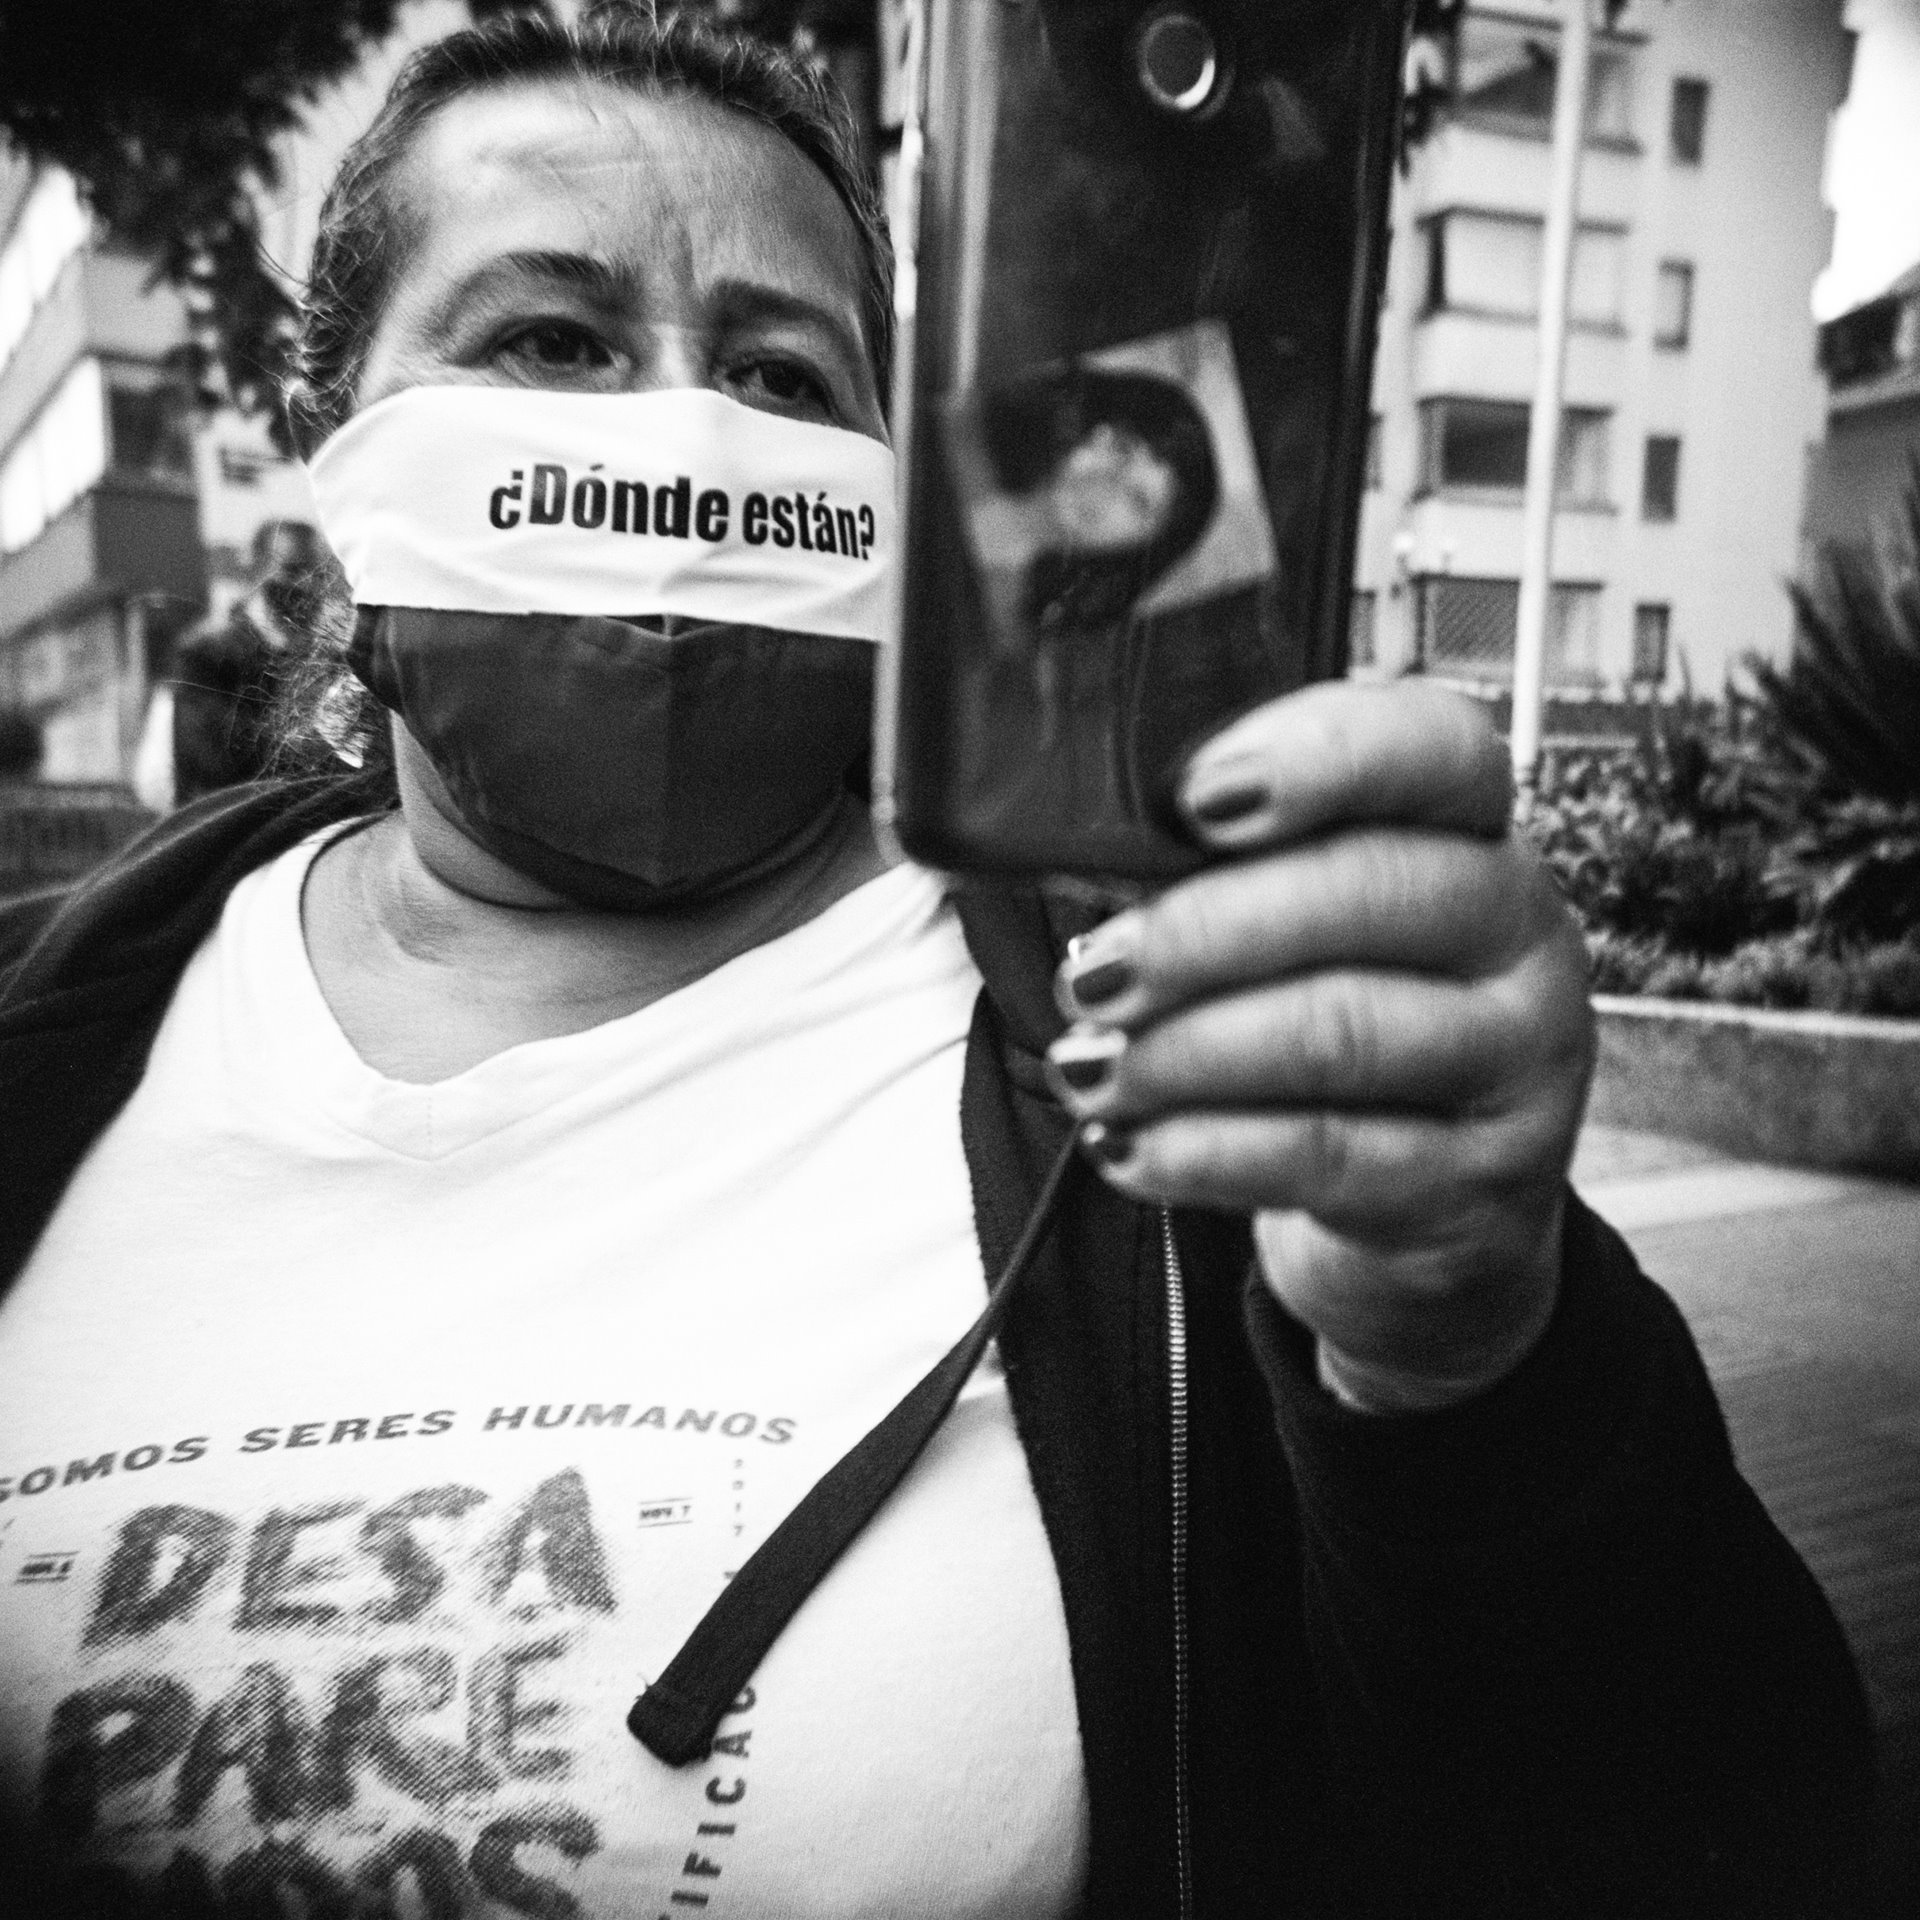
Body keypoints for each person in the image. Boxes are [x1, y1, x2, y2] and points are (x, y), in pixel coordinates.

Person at [0, 9, 1874, 1918]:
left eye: (781, 372)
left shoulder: (1169, 1057)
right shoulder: (48, 1037)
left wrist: (1480, 1362)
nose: (682, 432)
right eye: (548, 340)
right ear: (342, 460)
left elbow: (1704, 1824)